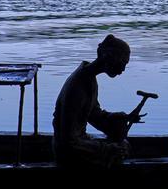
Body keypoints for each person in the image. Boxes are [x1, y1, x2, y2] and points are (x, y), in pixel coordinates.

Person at [53, 34, 143, 168]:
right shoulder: (78, 86)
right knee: (119, 150)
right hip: (68, 151)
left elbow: (94, 115)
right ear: (109, 58)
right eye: (123, 63)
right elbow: (68, 141)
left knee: (123, 145)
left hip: (76, 142)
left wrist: (120, 118)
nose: (123, 69)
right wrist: (106, 149)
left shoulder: (88, 79)